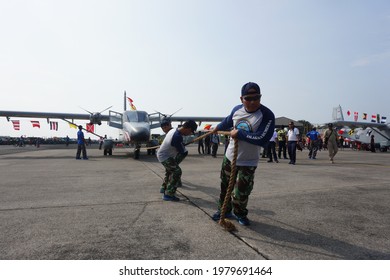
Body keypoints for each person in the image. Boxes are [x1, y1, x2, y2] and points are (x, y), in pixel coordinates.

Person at [211, 82, 275, 226]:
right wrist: (217, 128)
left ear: (260, 97)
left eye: (256, 98)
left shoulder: (267, 115)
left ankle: (240, 213)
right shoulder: (237, 110)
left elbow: (262, 138)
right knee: (225, 187)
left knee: (241, 192)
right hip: (230, 157)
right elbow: (227, 121)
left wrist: (240, 133)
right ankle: (224, 210)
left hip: (248, 161)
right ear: (241, 99)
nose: (252, 102)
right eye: (248, 98)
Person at [157, 120, 198, 201]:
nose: (190, 134)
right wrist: (182, 145)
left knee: (171, 170)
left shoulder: (173, 130)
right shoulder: (177, 136)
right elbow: (182, 151)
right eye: (191, 132)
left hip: (165, 155)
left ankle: (164, 187)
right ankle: (169, 194)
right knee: (176, 171)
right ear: (188, 129)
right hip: (165, 157)